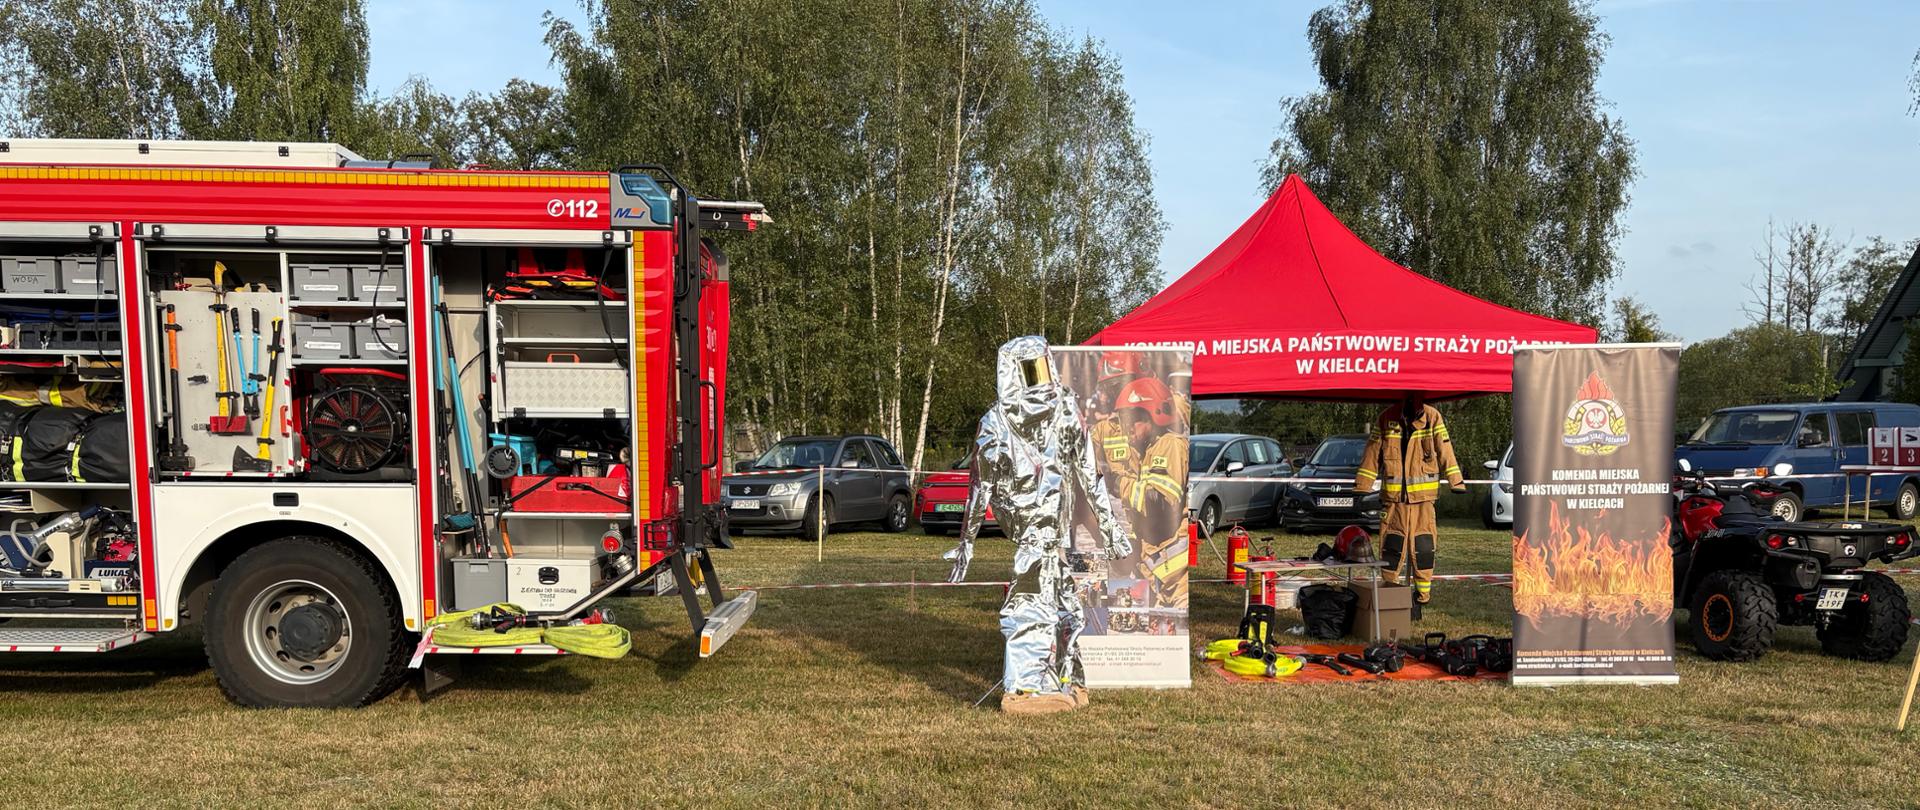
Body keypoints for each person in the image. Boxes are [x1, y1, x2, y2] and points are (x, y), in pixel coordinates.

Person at [947, 336, 1132, 714]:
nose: (1040, 378)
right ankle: (1025, 687)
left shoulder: (1065, 410)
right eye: (1032, 370)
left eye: (1043, 367)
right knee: (1031, 601)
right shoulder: (996, 423)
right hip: (1030, 531)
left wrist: (1111, 528)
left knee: (1065, 605)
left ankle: (1066, 678)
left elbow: (1089, 475)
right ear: (1012, 373)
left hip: (1054, 530)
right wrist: (967, 542)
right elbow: (980, 487)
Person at [1353, 392, 1466, 618]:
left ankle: (1421, 597)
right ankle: (1390, 593)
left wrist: (1456, 481)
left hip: (1423, 499)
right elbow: (1372, 452)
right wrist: (1362, 484)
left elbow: (1445, 449)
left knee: (1424, 547)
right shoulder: (1386, 418)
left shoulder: (1432, 417)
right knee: (1392, 547)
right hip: (1394, 500)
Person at [1111, 375, 1190, 626]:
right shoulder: (1146, 451)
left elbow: (1159, 504)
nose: (1127, 429)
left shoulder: (1170, 446)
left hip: (1176, 579)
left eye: (1132, 421)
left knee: (1175, 635)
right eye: (1123, 421)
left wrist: (1119, 484)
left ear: (1153, 416)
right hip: (1159, 573)